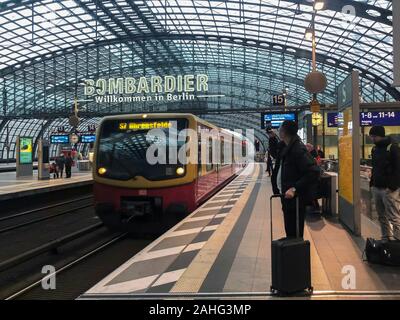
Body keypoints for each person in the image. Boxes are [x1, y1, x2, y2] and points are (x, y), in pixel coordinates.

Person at [274, 120, 320, 238]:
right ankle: (292, 252)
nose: (278, 131)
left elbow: (313, 171)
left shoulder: (297, 149)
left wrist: (294, 188)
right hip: (288, 198)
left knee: (295, 232)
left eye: (280, 128)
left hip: (295, 199)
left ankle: (296, 255)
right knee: (290, 230)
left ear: (284, 132)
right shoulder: (288, 147)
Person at [369, 126, 400, 241]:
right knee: (381, 216)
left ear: (380, 136)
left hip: (389, 189)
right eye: (371, 136)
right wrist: (372, 183)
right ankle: (386, 239)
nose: (372, 139)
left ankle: (398, 244)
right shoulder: (374, 149)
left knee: (394, 217)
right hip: (377, 187)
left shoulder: (392, 148)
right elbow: (375, 167)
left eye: (374, 136)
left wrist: (392, 187)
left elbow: (398, 169)